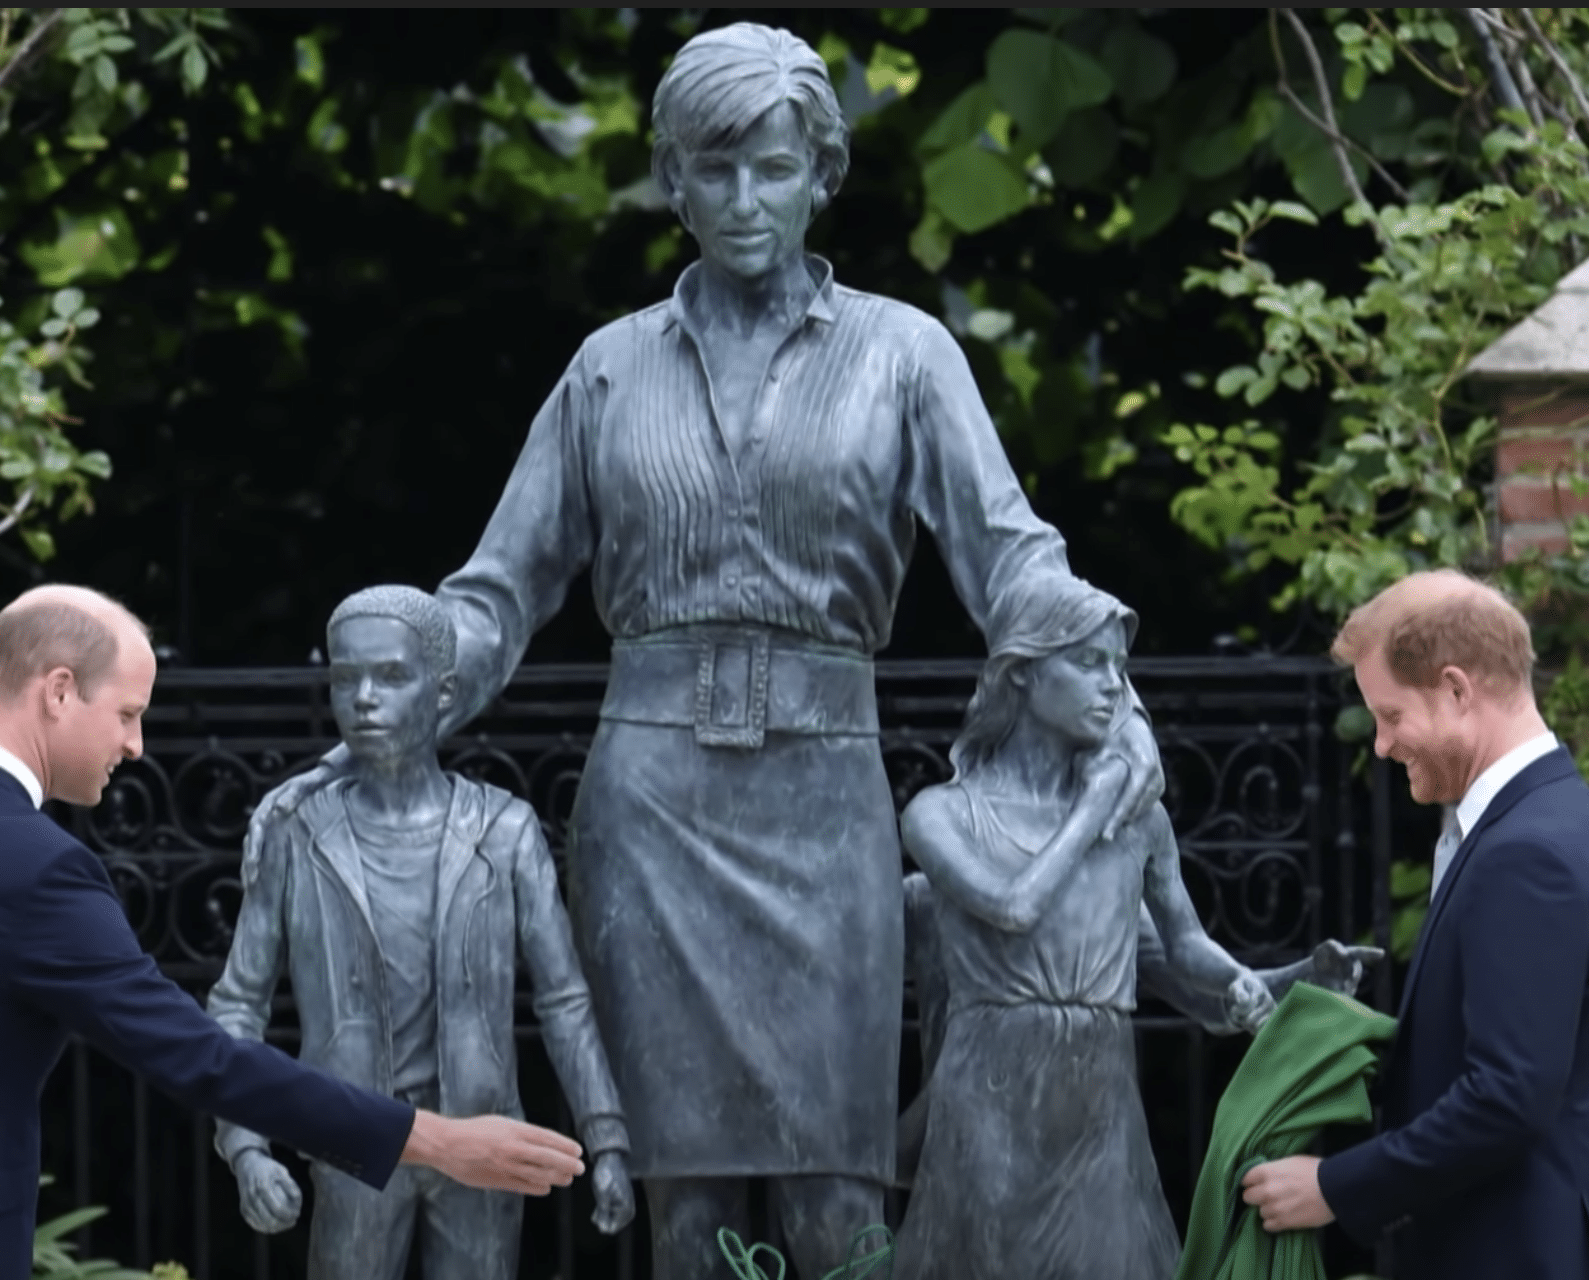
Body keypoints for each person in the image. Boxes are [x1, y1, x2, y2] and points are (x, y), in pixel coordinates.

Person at [253, 24, 1162, 1279]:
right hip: (653, 807)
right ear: (671, 181)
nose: (744, 200)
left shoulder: (905, 354)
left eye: (773, 168)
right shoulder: (607, 369)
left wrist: (1097, 673)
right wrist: (407, 676)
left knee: (841, 1190)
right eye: (712, 170)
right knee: (682, 1210)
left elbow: (1009, 553)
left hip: (825, 799)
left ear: (820, 174)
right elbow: (499, 587)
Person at [0, 585, 586, 1280]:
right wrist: (436, 1139)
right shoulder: (37, 869)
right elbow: (203, 1057)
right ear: (58, 692)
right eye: (127, 713)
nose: (135, 745)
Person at [207, 586, 635, 1278]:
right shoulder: (298, 834)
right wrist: (246, 1144)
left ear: (442, 693)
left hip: (483, 1143)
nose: (365, 698)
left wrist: (605, 1138)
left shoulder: (505, 831)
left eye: (391, 676)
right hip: (351, 1141)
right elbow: (238, 1003)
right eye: (346, 679)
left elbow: (562, 999)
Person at [892, 573, 1278, 1280]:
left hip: (1099, 1096)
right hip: (990, 1090)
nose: (1114, 687)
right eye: (1089, 663)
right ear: (1023, 675)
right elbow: (1013, 908)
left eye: (1120, 669)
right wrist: (1096, 804)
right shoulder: (943, 815)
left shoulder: (1140, 822)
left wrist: (1253, 984)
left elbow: (1185, 947)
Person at [1241, 569, 1589, 1280]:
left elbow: (1507, 1097)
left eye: (1391, 716)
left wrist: (1333, 1188)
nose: (1380, 744)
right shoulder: (1542, 819)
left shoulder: (1526, 851)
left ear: (1458, 689)